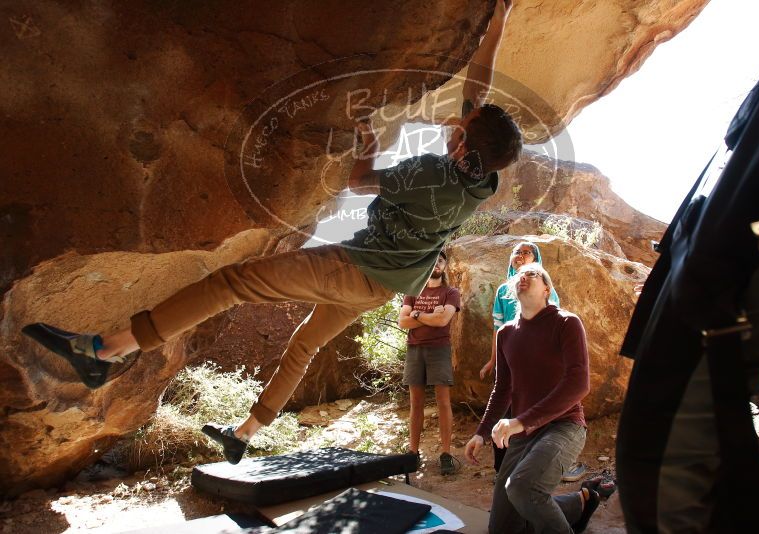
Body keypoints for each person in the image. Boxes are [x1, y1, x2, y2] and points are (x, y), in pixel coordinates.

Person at [22, 0, 521, 465]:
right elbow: (481, 84)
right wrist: (499, 17)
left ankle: (105, 351)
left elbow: (358, 181)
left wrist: (367, 140)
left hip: (357, 271)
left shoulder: (429, 176)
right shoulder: (484, 176)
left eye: (464, 122)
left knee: (232, 282)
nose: (458, 116)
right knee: (304, 346)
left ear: (461, 148)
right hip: (385, 285)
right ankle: (243, 436)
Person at [464, 263, 599, 533]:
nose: (523, 276)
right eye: (519, 274)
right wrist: (481, 433)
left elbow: (579, 383)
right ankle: (578, 504)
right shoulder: (505, 334)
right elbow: (502, 389)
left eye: (533, 273)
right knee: (503, 527)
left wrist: (520, 422)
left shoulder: (566, 322)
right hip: (523, 435)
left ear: (547, 289)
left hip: (564, 426)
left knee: (523, 488)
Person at [480, 241, 560, 473]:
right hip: (509, 360)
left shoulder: (548, 290)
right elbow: (498, 329)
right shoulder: (504, 291)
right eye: (517, 252)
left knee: (533, 409)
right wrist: (493, 360)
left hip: (536, 362)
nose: (521, 255)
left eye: (527, 253)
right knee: (504, 409)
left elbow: (551, 325)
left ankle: (532, 466)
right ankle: (502, 467)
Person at [397, 250, 461, 475]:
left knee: (443, 402)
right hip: (415, 350)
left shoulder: (451, 292)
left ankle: (445, 454)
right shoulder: (413, 291)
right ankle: (413, 453)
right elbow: (401, 322)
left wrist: (416, 315)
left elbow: (444, 319)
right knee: (416, 403)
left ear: (445, 266)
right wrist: (427, 317)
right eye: (433, 260)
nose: (436, 264)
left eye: (440, 261)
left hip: (439, 350)